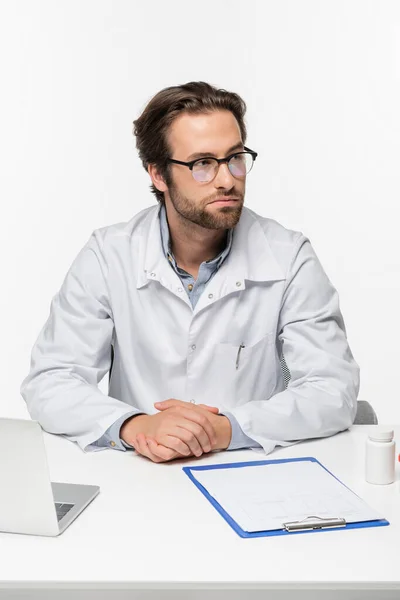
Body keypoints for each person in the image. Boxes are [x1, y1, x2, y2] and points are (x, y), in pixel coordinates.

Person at [20, 81, 360, 463]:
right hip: (142, 472)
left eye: (235, 158)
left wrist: (225, 429)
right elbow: (51, 380)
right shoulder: (109, 254)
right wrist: (134, 425)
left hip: (251, 470)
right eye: (202, 164)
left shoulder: (289, 257)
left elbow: (333, 390)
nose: (227, 179)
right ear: (159, 175)